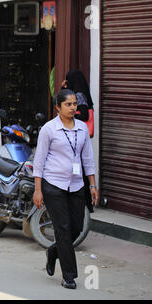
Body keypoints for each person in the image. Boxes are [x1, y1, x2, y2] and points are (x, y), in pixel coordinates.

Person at [32, 89, 99, 289]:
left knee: (76, 228)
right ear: (58, 107)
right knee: (62, 228)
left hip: (77, 184)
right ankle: (69, 276)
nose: (72, 108)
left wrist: (93, 185)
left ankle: (53, 252)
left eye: (74, 104)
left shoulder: (81, 128)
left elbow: (87, 158)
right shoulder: (49, 129)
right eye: (68, 104)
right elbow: (39, 160)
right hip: (53, 184)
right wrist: (38, 189)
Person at [62, 69, 95, 213]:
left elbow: (85, 114)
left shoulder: (79, 94)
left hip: (78, 137)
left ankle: (85, 202)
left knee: (79, 169)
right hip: (77, 137)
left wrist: (71, 115)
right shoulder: (79, 90)